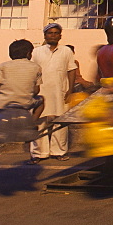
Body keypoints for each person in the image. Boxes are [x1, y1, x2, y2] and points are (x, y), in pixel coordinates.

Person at [29, 23, 76, 163]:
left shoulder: (66, 51)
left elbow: (71, 70)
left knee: (60, 123)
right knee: (39, 122)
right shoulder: (36, 52)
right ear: (45, 35)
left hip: (60, 92)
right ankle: (39, 153)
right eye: (50, 33)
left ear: (60, 36)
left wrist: (70, 90)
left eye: (56, 33)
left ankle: (59, 151)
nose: (53, 35)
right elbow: (31, 71)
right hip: (41, 93)